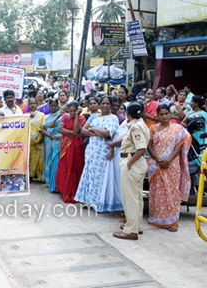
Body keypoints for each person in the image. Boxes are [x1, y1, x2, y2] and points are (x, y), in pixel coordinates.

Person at [147, 104, 191, 232]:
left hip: (172, 165)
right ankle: (157, 218)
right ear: (158, 116)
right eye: (161, 114)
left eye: (166, 113)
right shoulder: (153, 128)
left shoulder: (177, 128)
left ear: (169, 114)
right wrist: (159, 160)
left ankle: (173, 221)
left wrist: (168, 160)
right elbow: (149, 147)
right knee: (157, 192)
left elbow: (179, 146)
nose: (164, 116)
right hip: (156, 165)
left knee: (172, 192)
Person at [76, 96, 120, 211]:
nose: (105, 105)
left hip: (103, 150)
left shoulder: (113, 118)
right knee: (89, 173)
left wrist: (93, 129)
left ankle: (97, 202)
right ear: (100, 105)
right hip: (92, 148)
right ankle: (87, 201)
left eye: (107, 103)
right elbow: (83, 130)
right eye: (103, 103)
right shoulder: (94, 116)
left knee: (99, 176)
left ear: (110, 105)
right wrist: (96, 132)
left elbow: (108, 133)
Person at [113, 102, 150, 240]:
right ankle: (135, 225)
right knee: (136, 197)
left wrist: (129, 163)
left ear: (128, 114)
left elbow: (141, 148)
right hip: (137, 164)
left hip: (133, 163)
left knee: (130, 199)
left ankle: (131, 231)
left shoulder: (135, 127)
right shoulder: (141, 124)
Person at [55, 101, 86, 203]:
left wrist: (77, 115)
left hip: (77, 146)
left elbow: (78, 130)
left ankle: (76, 193)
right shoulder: (65, 116)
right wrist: (72, 133)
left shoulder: (82, 118)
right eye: (71, 111)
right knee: (65, 166)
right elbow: (60, 129)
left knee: (76, 168)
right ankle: (65, 192)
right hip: (66, 145)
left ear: (78, 109)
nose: (72, 113)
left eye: (75, 111)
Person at [41, 99, 62, 192]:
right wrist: (49, 135)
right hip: (48, 139)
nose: (53, 108)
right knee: (49, 158)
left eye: (55, 106)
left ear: (58, 106)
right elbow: (43, 129)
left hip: (57, 139)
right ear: (49, 107)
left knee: (55, 159)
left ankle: (55, 181)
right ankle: (49, 179)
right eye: (51, 106)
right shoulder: (46, 117)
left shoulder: (60, 116)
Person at [28, 98, 45, 181]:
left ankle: (32, 175)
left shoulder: (41, 115)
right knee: (28, 158)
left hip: (37, 140)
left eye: (34, 103)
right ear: (28, 105)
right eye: (30, 103)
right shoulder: (25, 115)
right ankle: (28, 176)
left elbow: (43, 127)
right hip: (27, 141)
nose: (32, 105)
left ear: (37, 105)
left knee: (35, 158)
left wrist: (42, 138)